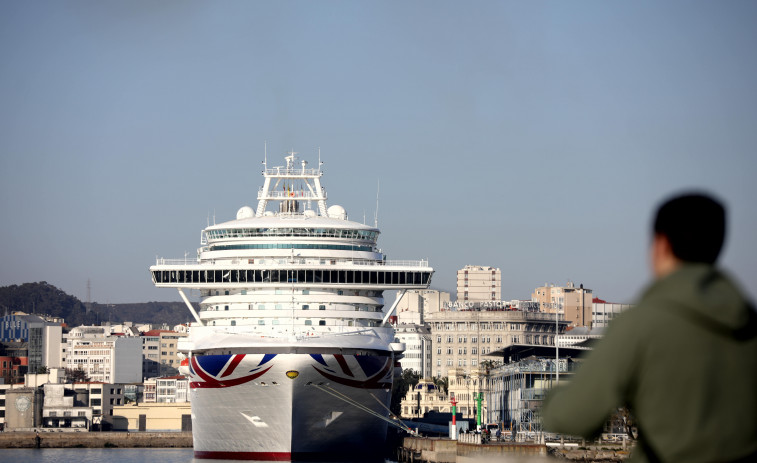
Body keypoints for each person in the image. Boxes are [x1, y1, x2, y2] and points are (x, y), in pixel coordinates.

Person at [542, 193, 757, 462]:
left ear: (661, 244)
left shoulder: (640, 326)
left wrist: (547, 398)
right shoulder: (748, 325)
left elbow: (574, 417)